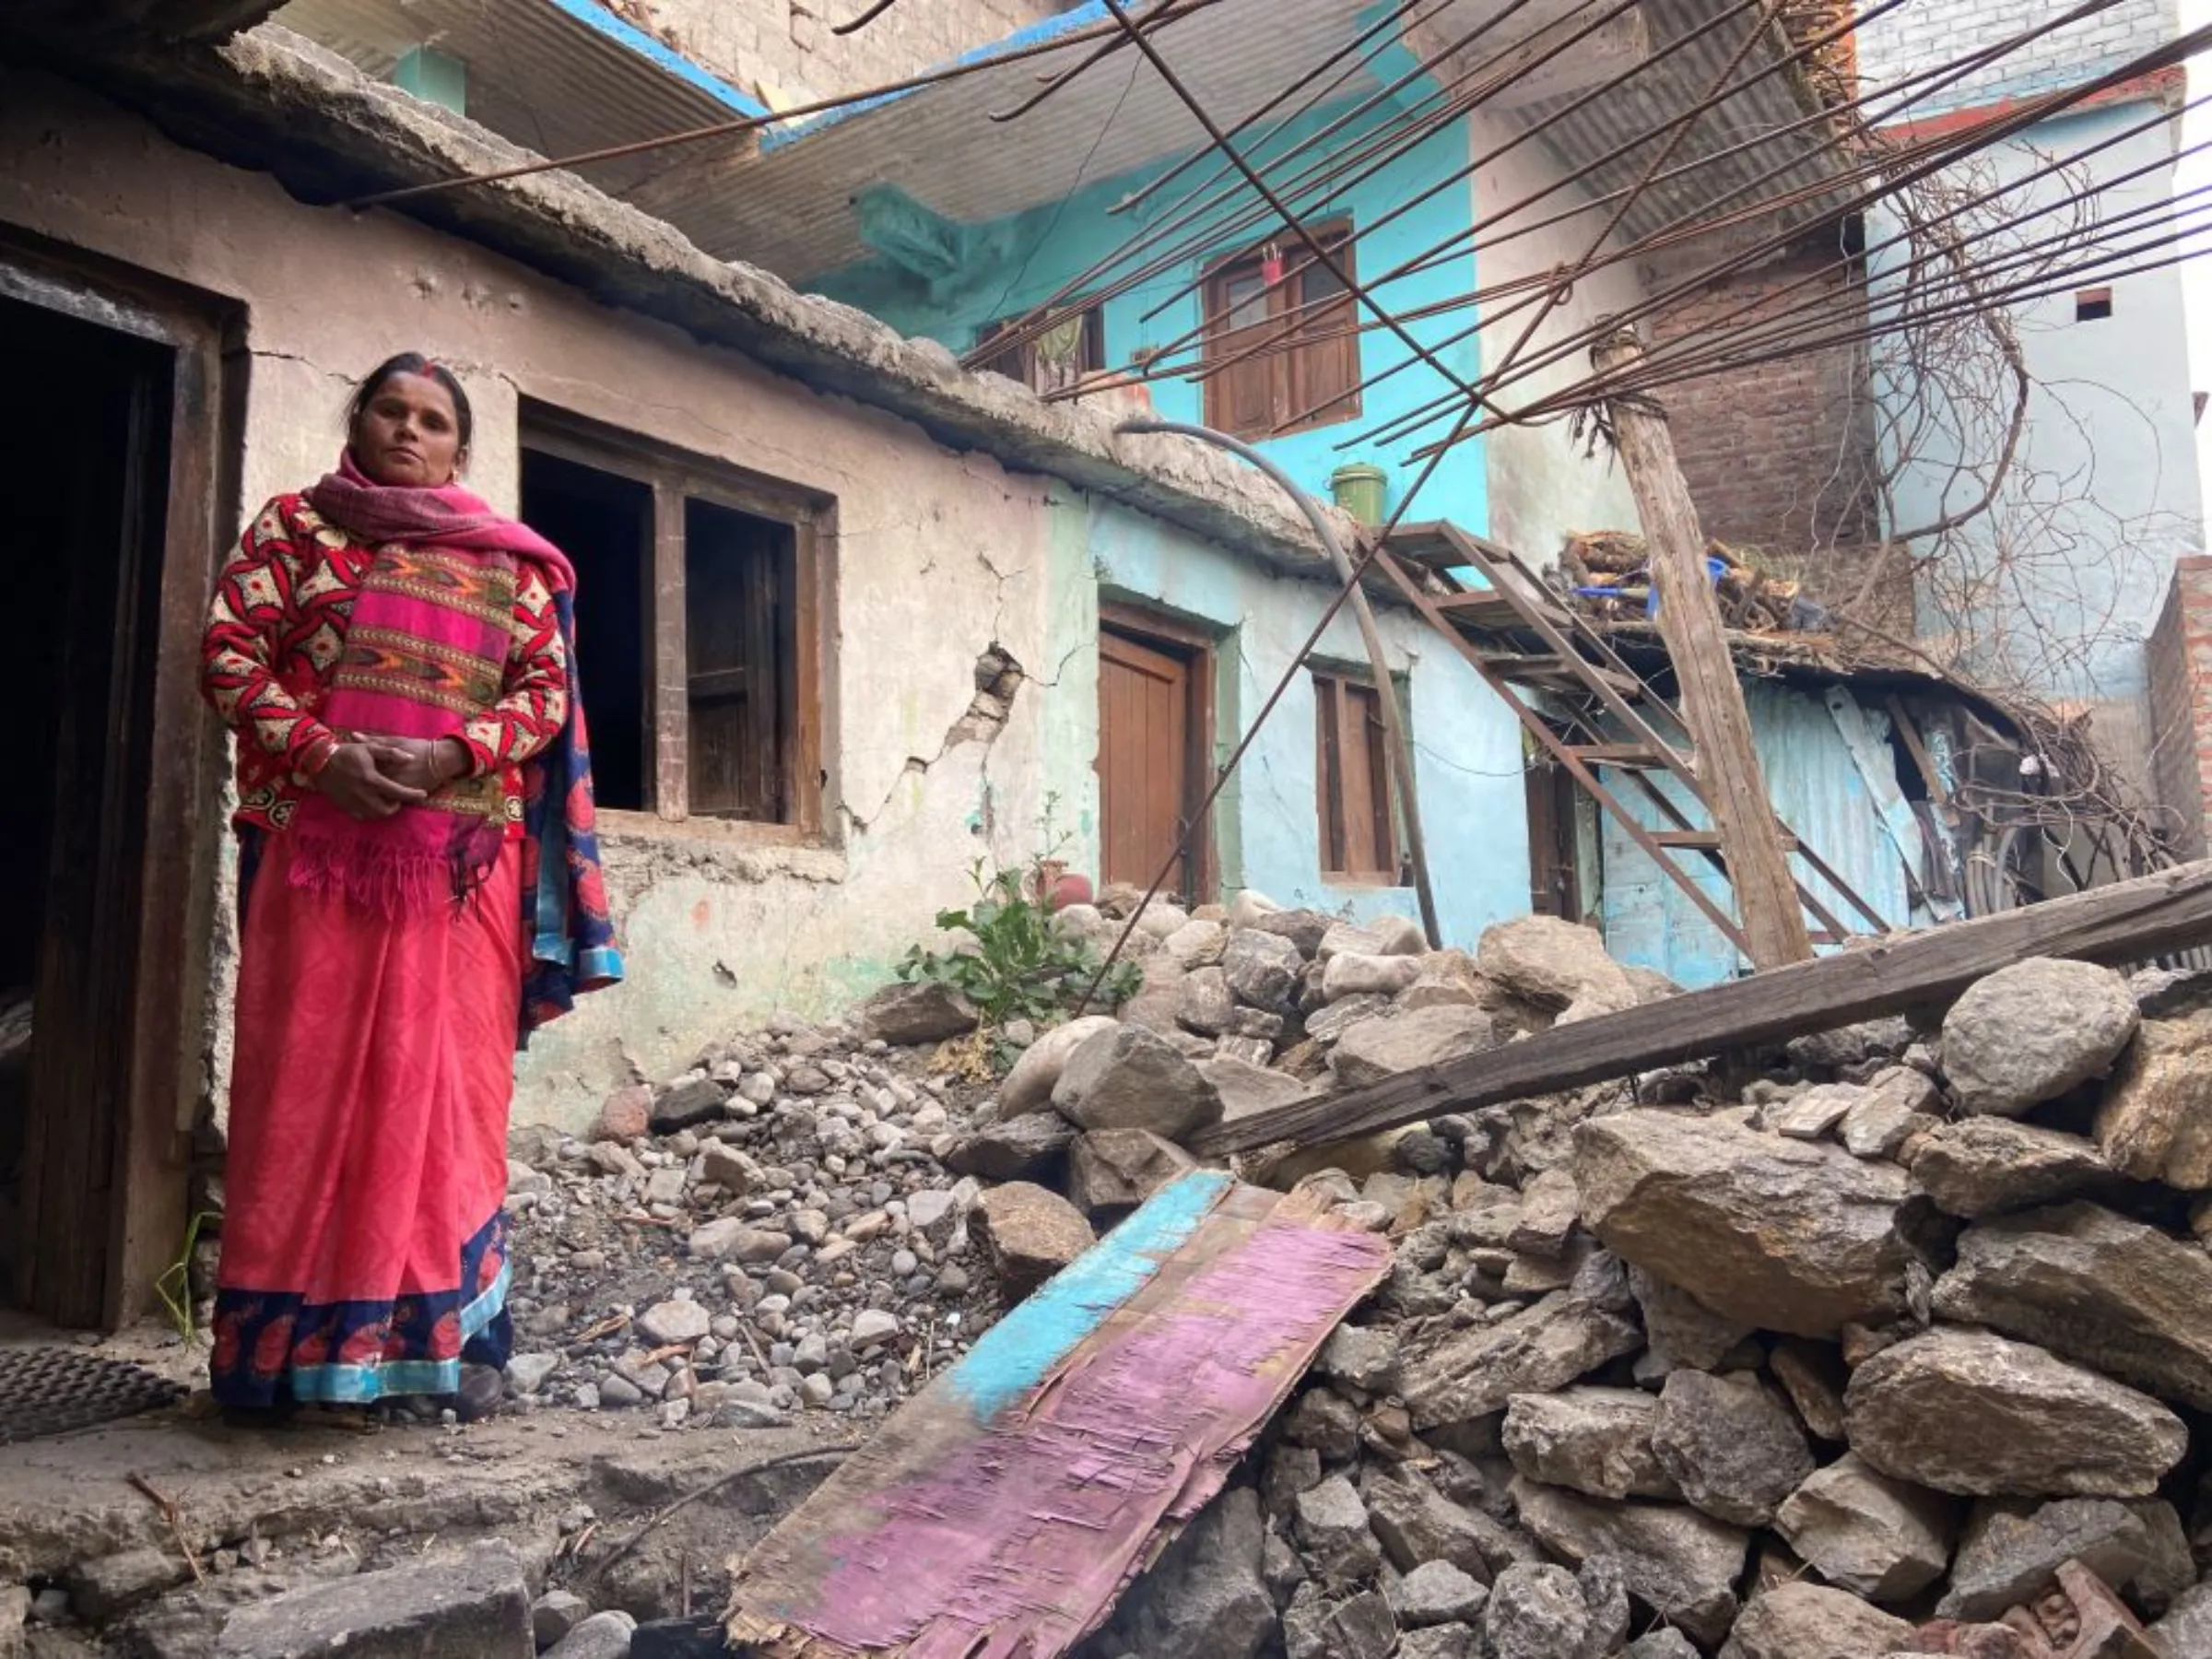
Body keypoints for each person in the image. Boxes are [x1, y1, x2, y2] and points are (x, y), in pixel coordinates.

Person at [199, 352, 621, 1423]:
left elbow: (544, 696)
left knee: (444, 1096)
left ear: (459, 449)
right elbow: (229, 655)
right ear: (359, 421)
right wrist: (318, 752)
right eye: (390, 410)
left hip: (456, 875)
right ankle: (294, 1364)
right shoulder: (295, 532)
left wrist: (446, 758)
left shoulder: (510, 566)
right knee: (303, 1087)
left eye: (432, 420)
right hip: (311, 854)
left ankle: (446, 1347)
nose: (409, 430)